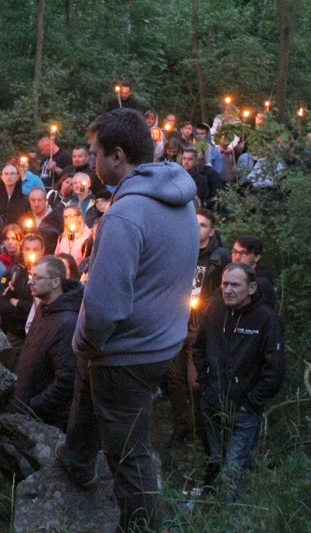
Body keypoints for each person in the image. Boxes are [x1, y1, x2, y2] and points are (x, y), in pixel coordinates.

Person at [56, 109, 198, 532]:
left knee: (129, 456)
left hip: (127, 351)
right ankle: (78, 458)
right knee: (90, 386)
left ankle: (142, 525)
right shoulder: (179, 196)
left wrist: (83, 341)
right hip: (161, 337)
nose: (91, 162)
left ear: (118, 155)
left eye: (96, 153)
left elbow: (104, 308)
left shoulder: (123, 215)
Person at [193, 263, 285, 500]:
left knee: (231, 473)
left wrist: (251, 402)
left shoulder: (267, 319)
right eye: (225, 284)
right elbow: (198, 348)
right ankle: (209, 512)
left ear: (251, 287)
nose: (228, 290)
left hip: (243, 411)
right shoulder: (214, 310)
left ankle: (228, 518)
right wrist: (205, 385)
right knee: (214, 461)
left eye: (235, 285)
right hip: (213, 403)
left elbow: (274, 370)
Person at [166, 207, 230, 447]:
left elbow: (225, 290)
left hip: (202, 324)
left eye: (203, 225)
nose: (196, 227)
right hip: (176, 319)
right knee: (174, 377)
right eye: (194, 223)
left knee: (196, 380)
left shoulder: (219, 257)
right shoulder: (180, 251)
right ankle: (180, 426)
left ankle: (202, 426)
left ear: (211, 231)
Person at [14, 256, 82, 431]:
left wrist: (34, 405)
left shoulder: (66, 322)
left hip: (46, 420)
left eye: (37, 277)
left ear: (55, 282)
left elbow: (66, 380)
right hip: (26, 408)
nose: (30, 281)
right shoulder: (45, 309)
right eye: (31, 276)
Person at [0, 234, 45, 352]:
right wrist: (27, 312)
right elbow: (2, 305)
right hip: (15, 334)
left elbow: (42, 309)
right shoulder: (11, 274)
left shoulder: (47, 277)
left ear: (42, 251)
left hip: (39, 335)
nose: (31, 253)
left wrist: (18, 303)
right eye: (27, 249)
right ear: (22, 250)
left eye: (35, 249)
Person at [232, 235, 276, 308]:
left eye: (243, 253)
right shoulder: (229, 278)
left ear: (256, 257)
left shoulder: (262, 284)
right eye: (234, 252)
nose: (237, 257)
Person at [26, 187, 62, 254]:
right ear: (29, 200)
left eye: (39, 200)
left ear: (46, 200)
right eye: (33, 200)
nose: (36, 204)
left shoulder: (58, 219)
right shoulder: (25, 218)